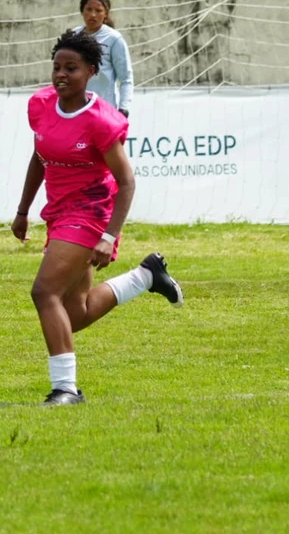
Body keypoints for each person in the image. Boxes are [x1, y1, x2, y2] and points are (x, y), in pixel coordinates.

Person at [12, 30, 182, 406]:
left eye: (71, 68)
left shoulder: (102, 121)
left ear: (91, 71)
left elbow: (126, 182)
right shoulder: (40, 105)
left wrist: (109, 235)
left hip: (91, 212)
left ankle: (66, 390)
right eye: (56, 67)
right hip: (58, 212)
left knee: (44, 293)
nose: (61, 74)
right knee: (75, 314)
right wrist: (23, 210)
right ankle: (146, 277)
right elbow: (39, 157)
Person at [72, 0, 133, 119]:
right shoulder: (73, 36)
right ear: (82, 11)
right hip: (76, 109)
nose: (93, 15)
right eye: (89, 9)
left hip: (103, 111)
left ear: (106, 14)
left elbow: (126, 79)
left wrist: (123, 109)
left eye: (98, 10)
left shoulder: (114, 39)